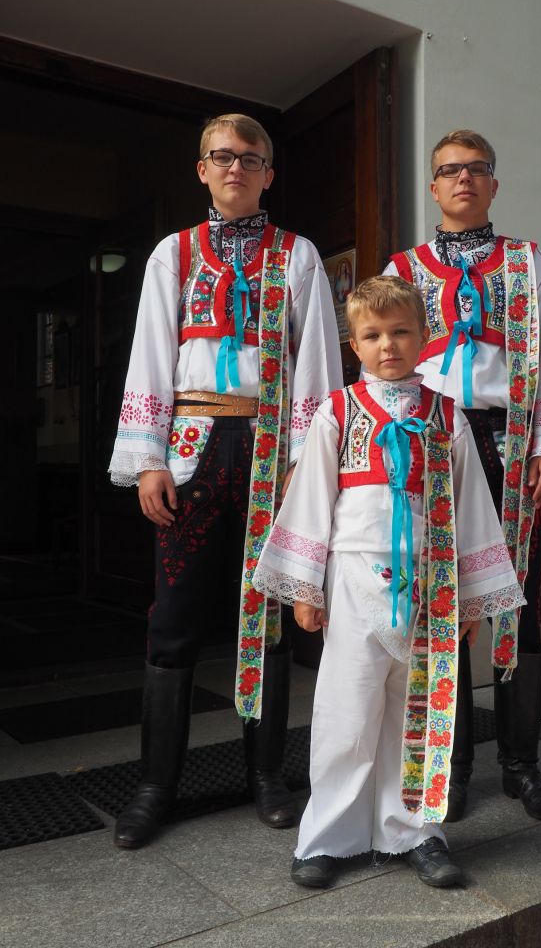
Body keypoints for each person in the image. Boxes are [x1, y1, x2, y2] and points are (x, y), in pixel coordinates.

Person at [109, 113, 342, 849]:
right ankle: (155, 786)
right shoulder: (173, 253)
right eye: (221, 156)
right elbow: (151, 351)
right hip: (191, 447)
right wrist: (148, 457)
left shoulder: (297, 254)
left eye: (249, 157)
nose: (234, 167)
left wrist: (309, 458)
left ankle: (266, 776)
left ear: (269, 173)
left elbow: (318, 360)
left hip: (273, 449)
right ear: (202, 170)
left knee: (266, 611)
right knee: (173, 614)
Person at [252, 275, 524, 889]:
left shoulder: (446, 416)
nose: (388, 345)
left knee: (419, 709)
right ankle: (327, 837)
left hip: (431, 582)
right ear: (354, 345)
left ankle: (416, 832)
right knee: (346, 711)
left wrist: (471, 598)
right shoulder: (337, 412)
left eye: (401, 332)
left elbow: (472, 508)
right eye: (373, 335)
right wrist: (305, 588)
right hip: (353, 577)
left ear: (424, 337)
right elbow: (311, 498)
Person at [386, 129, 541, 825]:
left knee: (518, 601)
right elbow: (386, 362)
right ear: (434, 187)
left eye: (477, 169)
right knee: (442, 599)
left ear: (494, 184)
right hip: (434, 439)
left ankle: (521, 766)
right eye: (450, 170)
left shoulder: (529, 262)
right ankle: (451, 766)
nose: (463, 179)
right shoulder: (403, 268)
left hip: (509, 440)